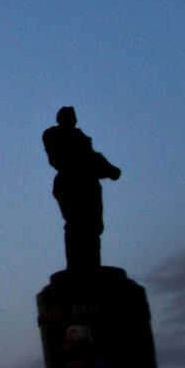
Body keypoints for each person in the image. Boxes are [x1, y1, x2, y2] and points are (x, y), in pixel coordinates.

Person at [43, 106, 121, 271]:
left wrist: (109, 170)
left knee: (93, 226)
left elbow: (93, 158)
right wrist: (100, 167)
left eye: (73, 117)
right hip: (70, 184)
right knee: (76, 224)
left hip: (88, 184)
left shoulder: (80, 137)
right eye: (69, 117)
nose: (73, 120)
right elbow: (62, 158)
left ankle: (91, 264)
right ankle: (77, 266)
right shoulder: (54, 135)